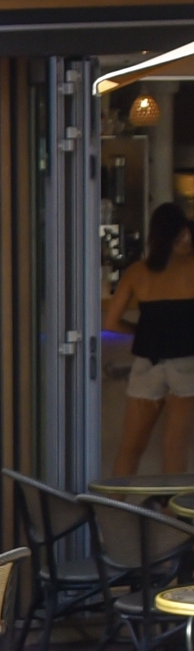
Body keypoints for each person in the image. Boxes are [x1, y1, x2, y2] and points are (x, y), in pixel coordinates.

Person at [105, 203, 194, 475]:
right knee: (174, 447)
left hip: (147, 364)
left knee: (130, 447)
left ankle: (115, 510)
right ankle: (170, 515)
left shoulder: (136, 273)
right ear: (179, 234)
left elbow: (110, 322)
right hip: (186, 364)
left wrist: (139, 331)